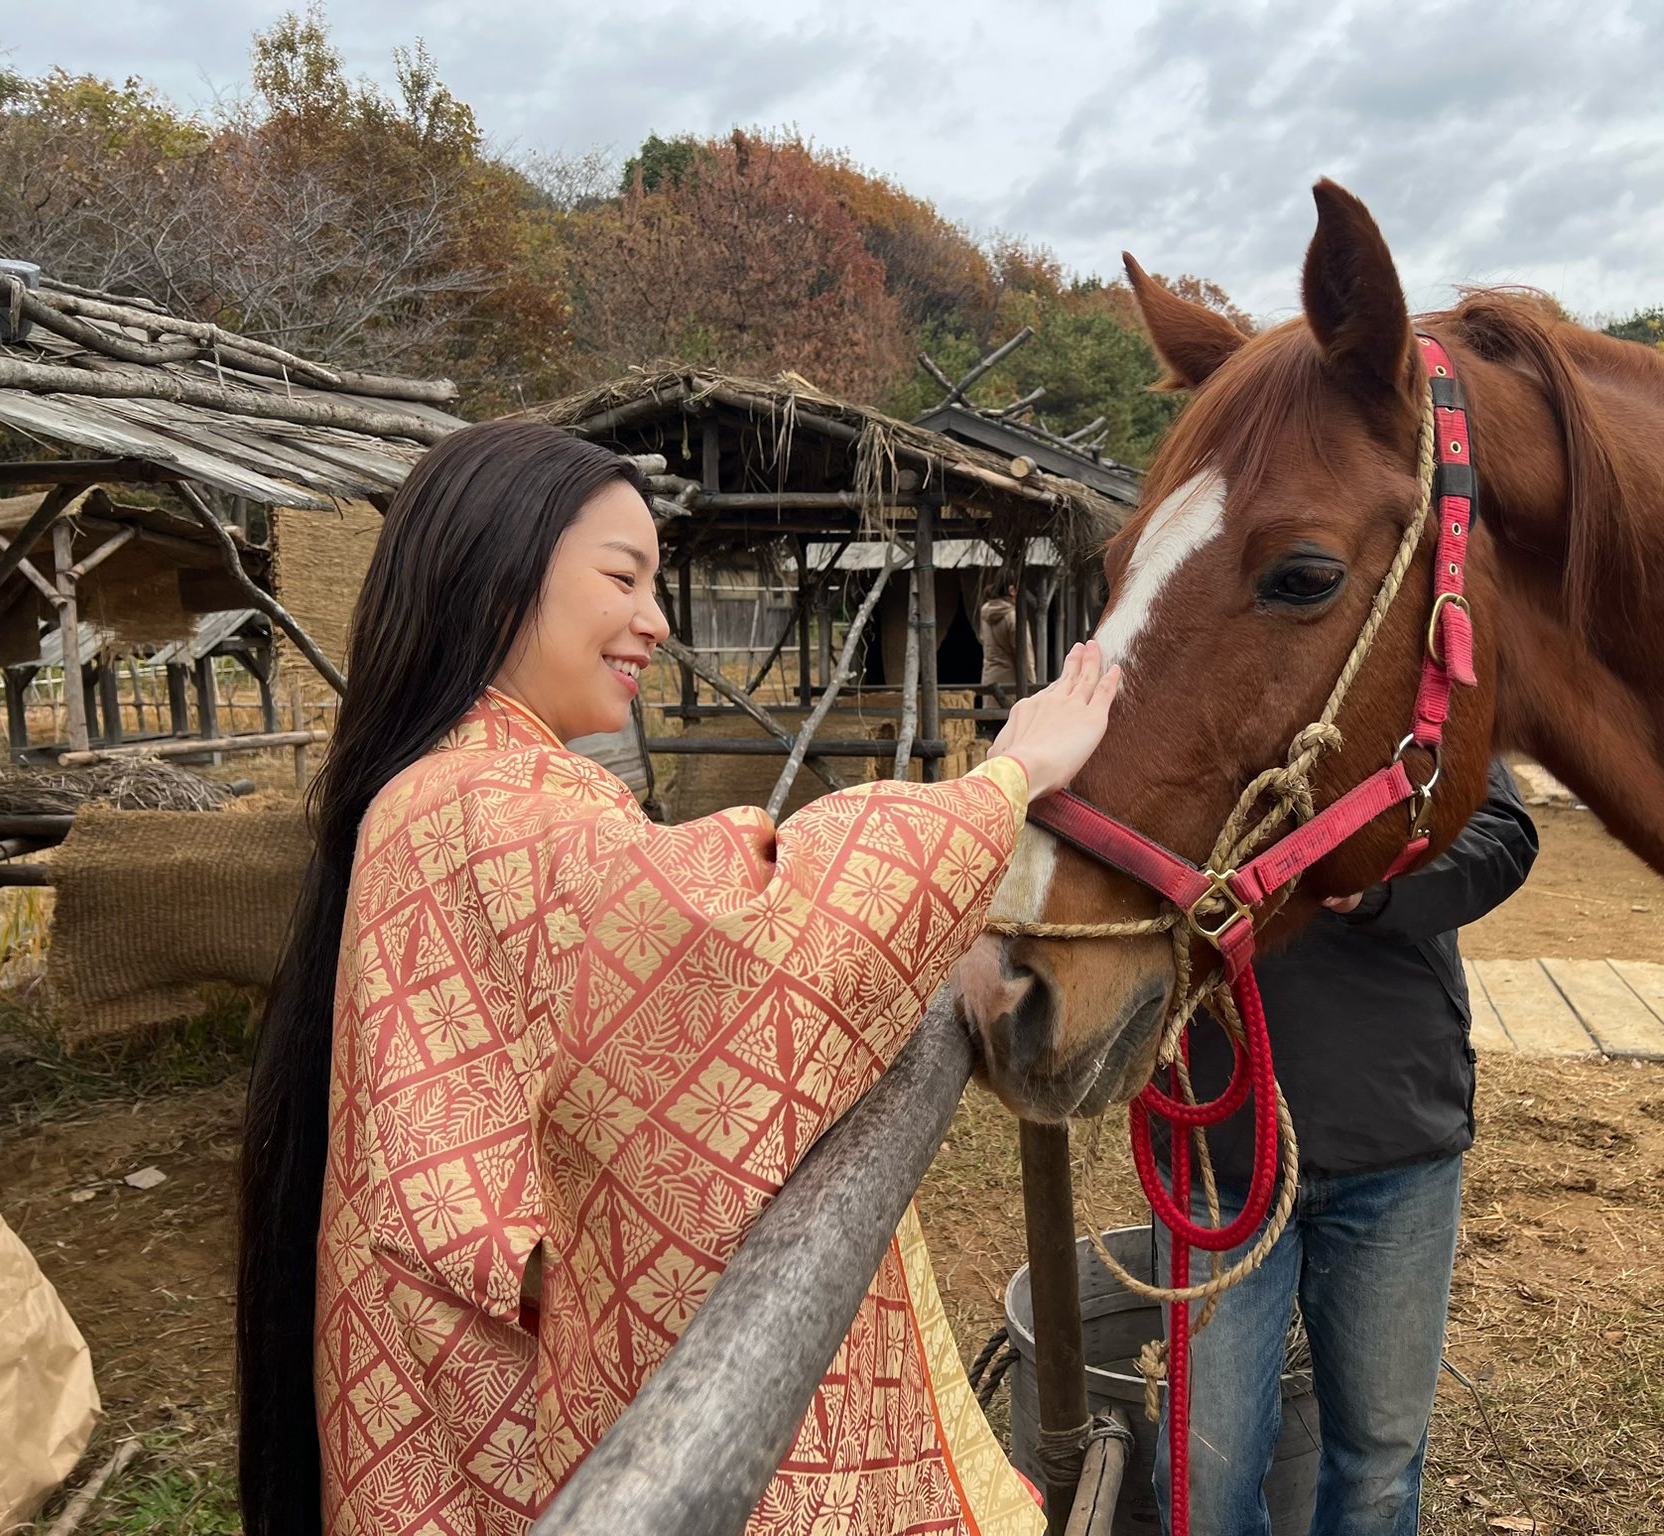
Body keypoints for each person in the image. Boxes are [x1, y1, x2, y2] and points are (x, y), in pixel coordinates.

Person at [235, 420, 1122, 1536]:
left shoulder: (460, 792)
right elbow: (739, 934)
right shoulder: (467, 805)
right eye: (623, 577)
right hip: (509, 1432)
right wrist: (1006, 779)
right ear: (494, 572)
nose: (656, 620)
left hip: (460, 1404)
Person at [1154, 759, 1538, 1536]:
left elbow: (1503, 834)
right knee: (1203, 1474)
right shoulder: (1176, 675)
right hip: (1220, 1149)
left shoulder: (1400, 675)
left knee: (1379, 1468)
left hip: (1395, 1136)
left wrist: (1377, 881)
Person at [979, 578, 1033, 710]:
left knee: (996, 728)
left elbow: (982, 639)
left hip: (990, 679)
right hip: (1011, 683)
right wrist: (1032, 684)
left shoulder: (985, 613)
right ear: (1011, 590)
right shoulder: (1014, 618)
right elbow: (1025, 656)